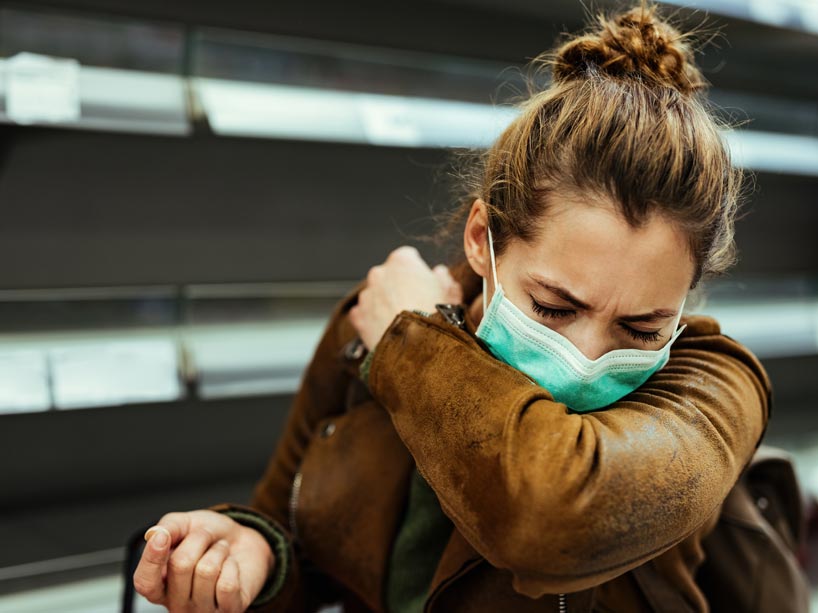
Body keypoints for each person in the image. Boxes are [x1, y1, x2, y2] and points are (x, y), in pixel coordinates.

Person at [132, 3, 774, 611]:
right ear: (480, 239)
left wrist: (413, 345)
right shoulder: (371, 325)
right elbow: (291, 525)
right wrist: (255, 557)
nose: (585, 358)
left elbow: (550, 521)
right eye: (552, 307)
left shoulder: (714, 388)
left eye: (641, 326)